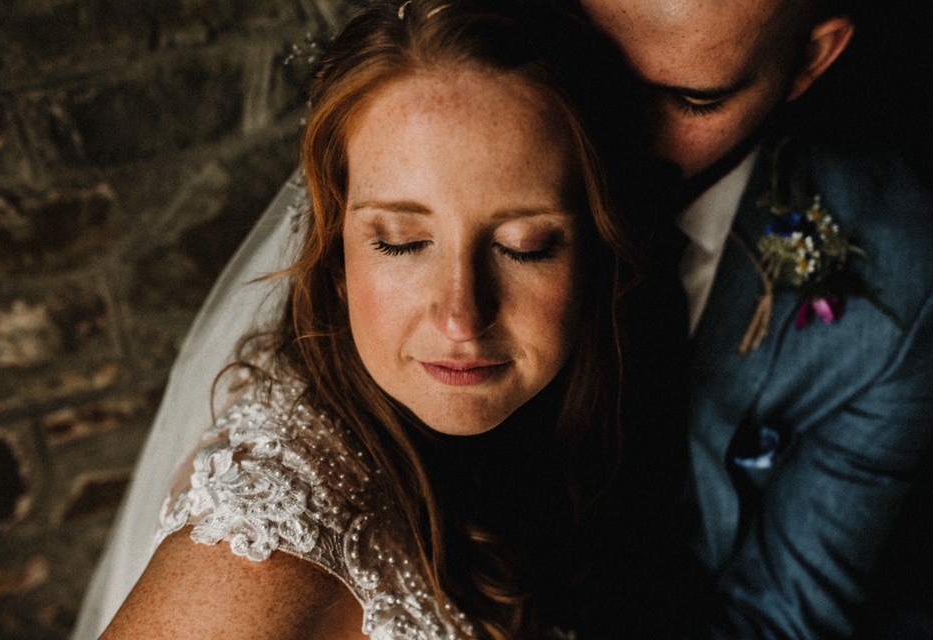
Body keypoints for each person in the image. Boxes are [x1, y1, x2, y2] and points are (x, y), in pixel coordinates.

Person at [93, 1, 640, 638]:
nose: (462, 318)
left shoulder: (585, 415)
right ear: (334, 244)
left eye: (524, 247)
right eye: (402, 243)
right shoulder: (258, 544)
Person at [563, 0, 933, 638]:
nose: (617, 129)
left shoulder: (898, 285)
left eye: (693, 100)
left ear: (809, 58)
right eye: (592, 66)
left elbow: (778, 618)